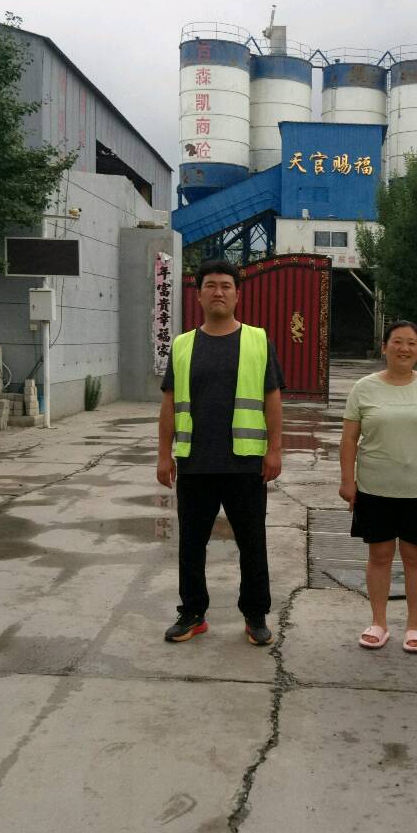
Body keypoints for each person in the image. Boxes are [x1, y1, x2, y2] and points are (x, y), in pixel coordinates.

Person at [157, 260, 285, 646]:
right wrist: (163, 455)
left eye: (226, 286)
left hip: (245, 463)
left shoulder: (258, 341)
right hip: (195, 462)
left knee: (252, 543)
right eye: (210, 285)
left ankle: (255, 615)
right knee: (191, 544)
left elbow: (272, 398)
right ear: (198, 295)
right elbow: (168, 403)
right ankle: (192, 613)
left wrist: (274, 449)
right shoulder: (183, 346)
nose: (218, 292)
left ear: (237, 294)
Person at [339, 320, 417, 653]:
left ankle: (414, 626)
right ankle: (378, 623)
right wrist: (347, 480)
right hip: (374, 487)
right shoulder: (364, 388)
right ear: (385, 347)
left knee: (415, 557)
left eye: (411, 343)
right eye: (397, 342)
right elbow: (349, 438)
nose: (404, 348)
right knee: (379, 555)